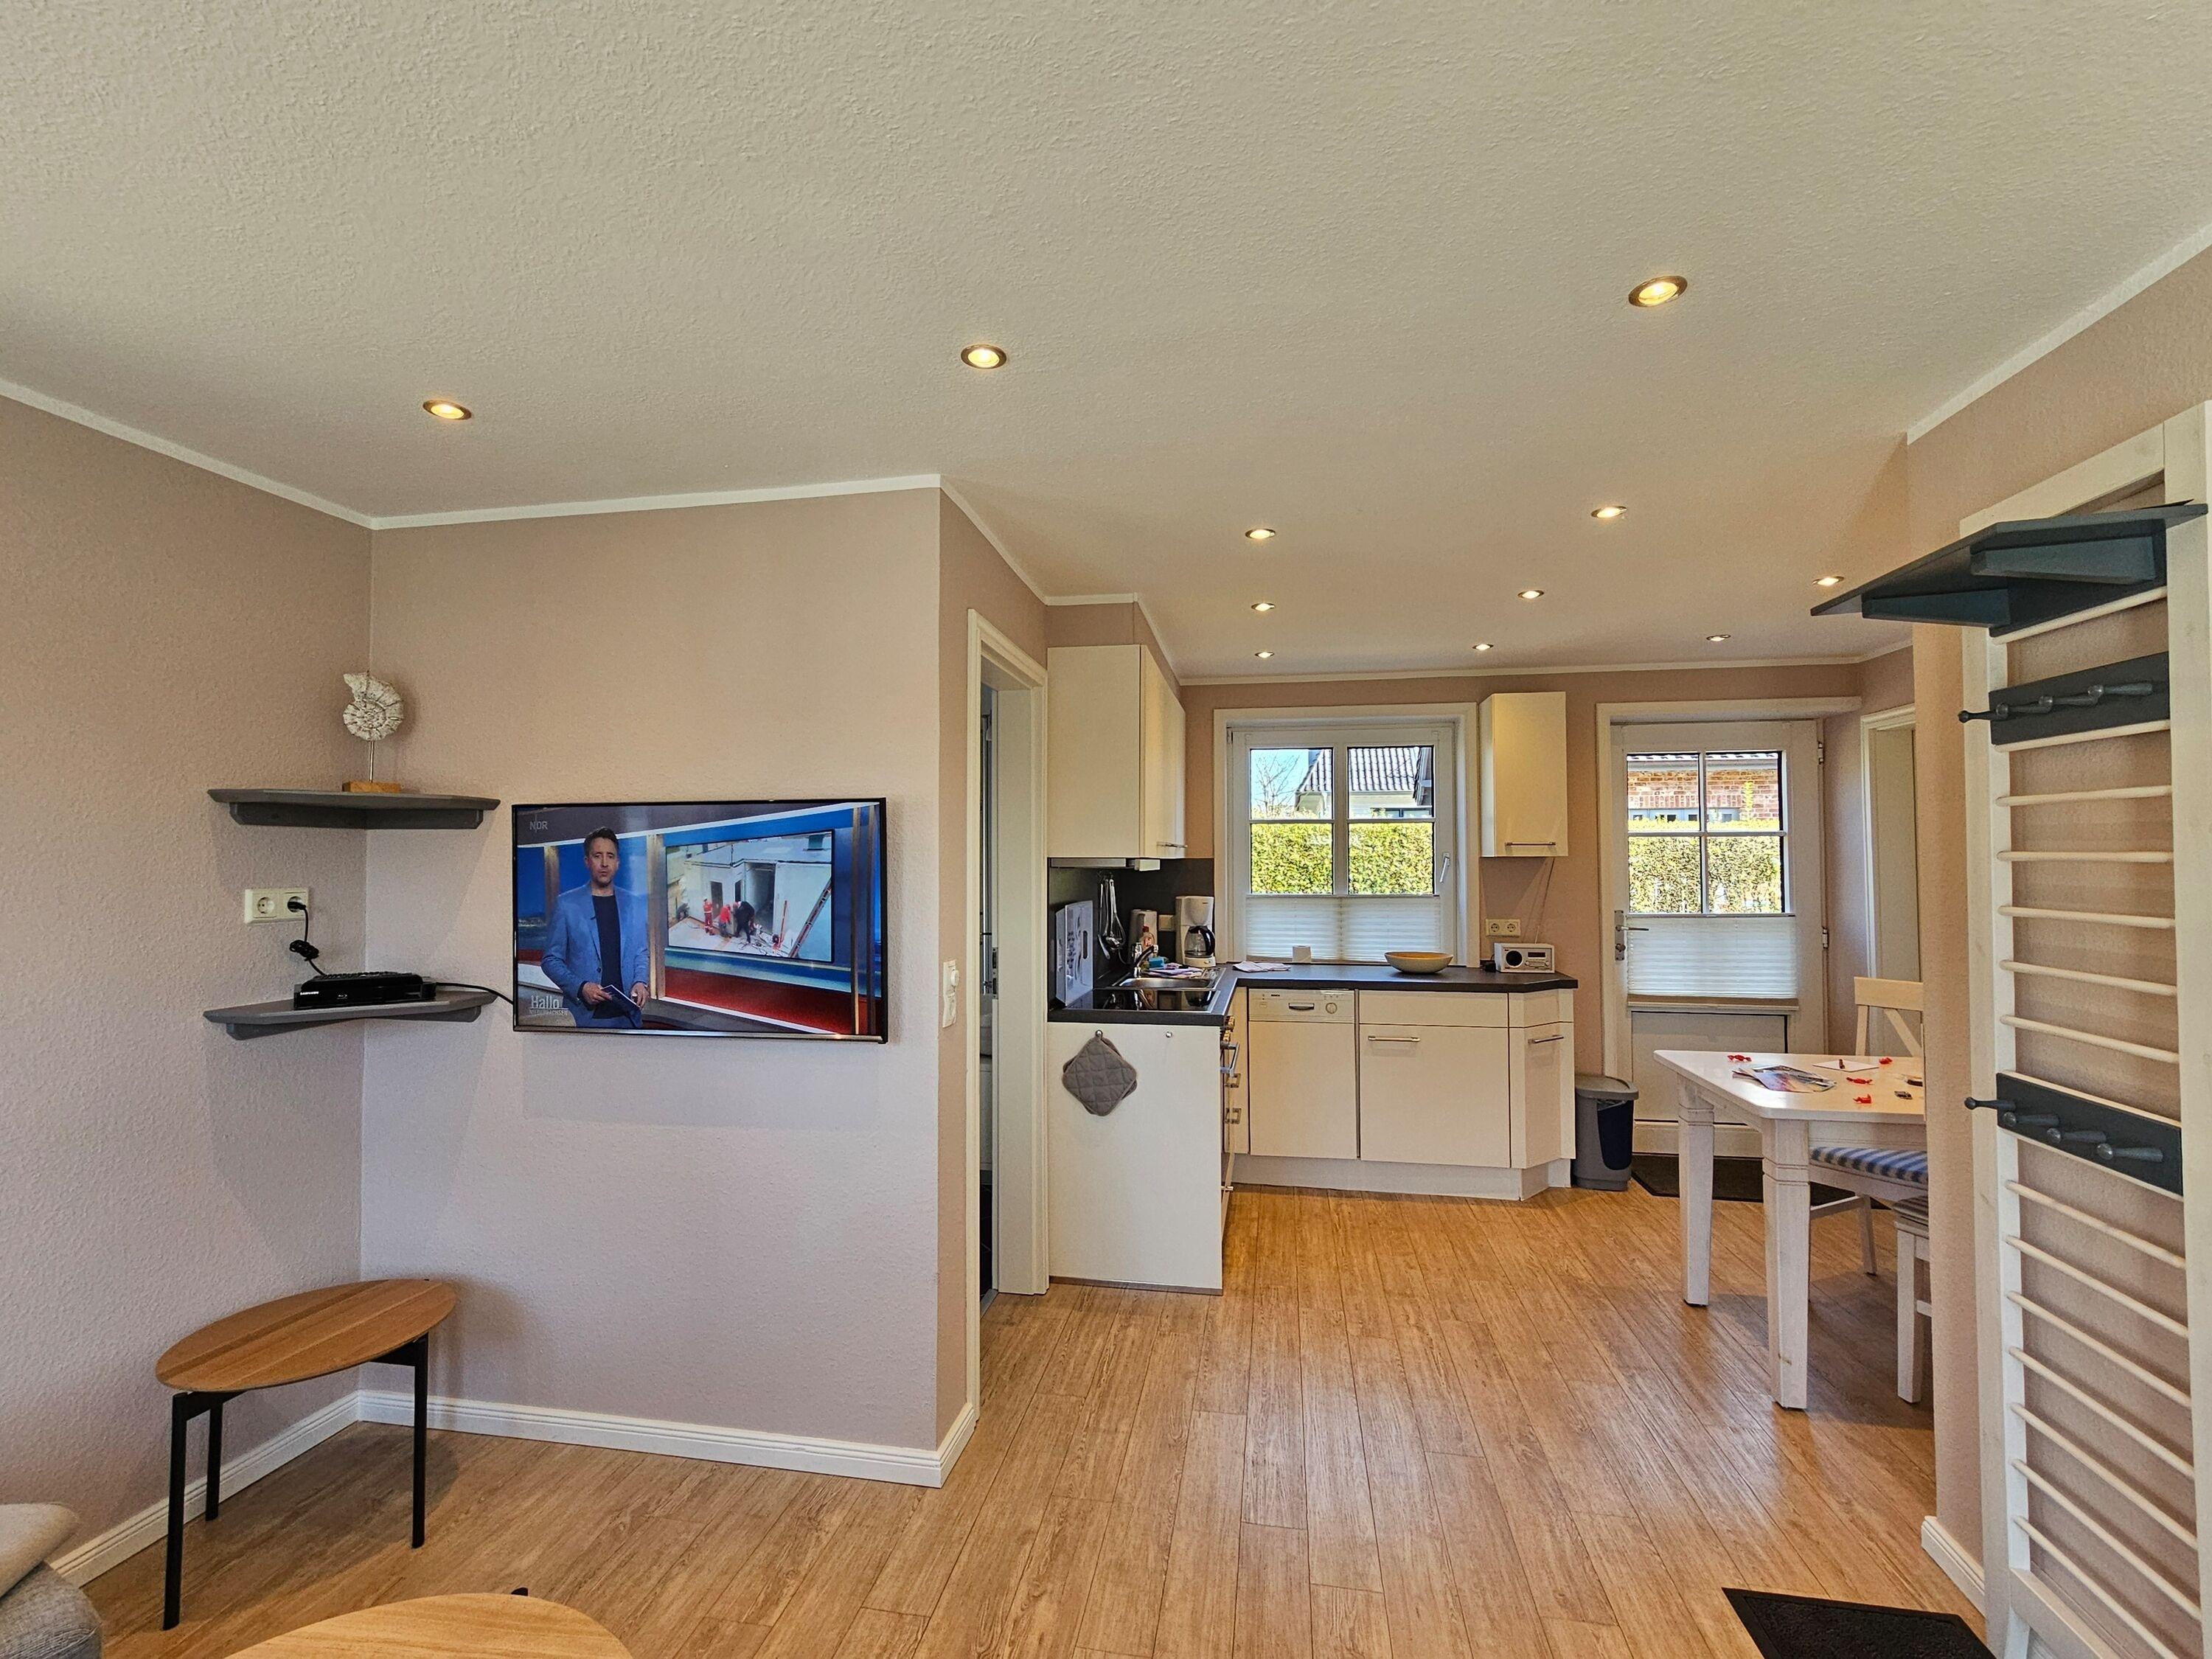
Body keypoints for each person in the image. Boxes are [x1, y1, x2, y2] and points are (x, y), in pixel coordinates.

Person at [540, 827, 650, 1028]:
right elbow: (550, 960)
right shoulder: (566, 905)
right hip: (583, 1019)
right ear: (587, 861)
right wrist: (581, 987)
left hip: (628, 1018)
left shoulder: (634, 903)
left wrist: (640, 982)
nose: (604, 863)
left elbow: (641, 952)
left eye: (610, 856)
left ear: (618, 863)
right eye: (597, 856)